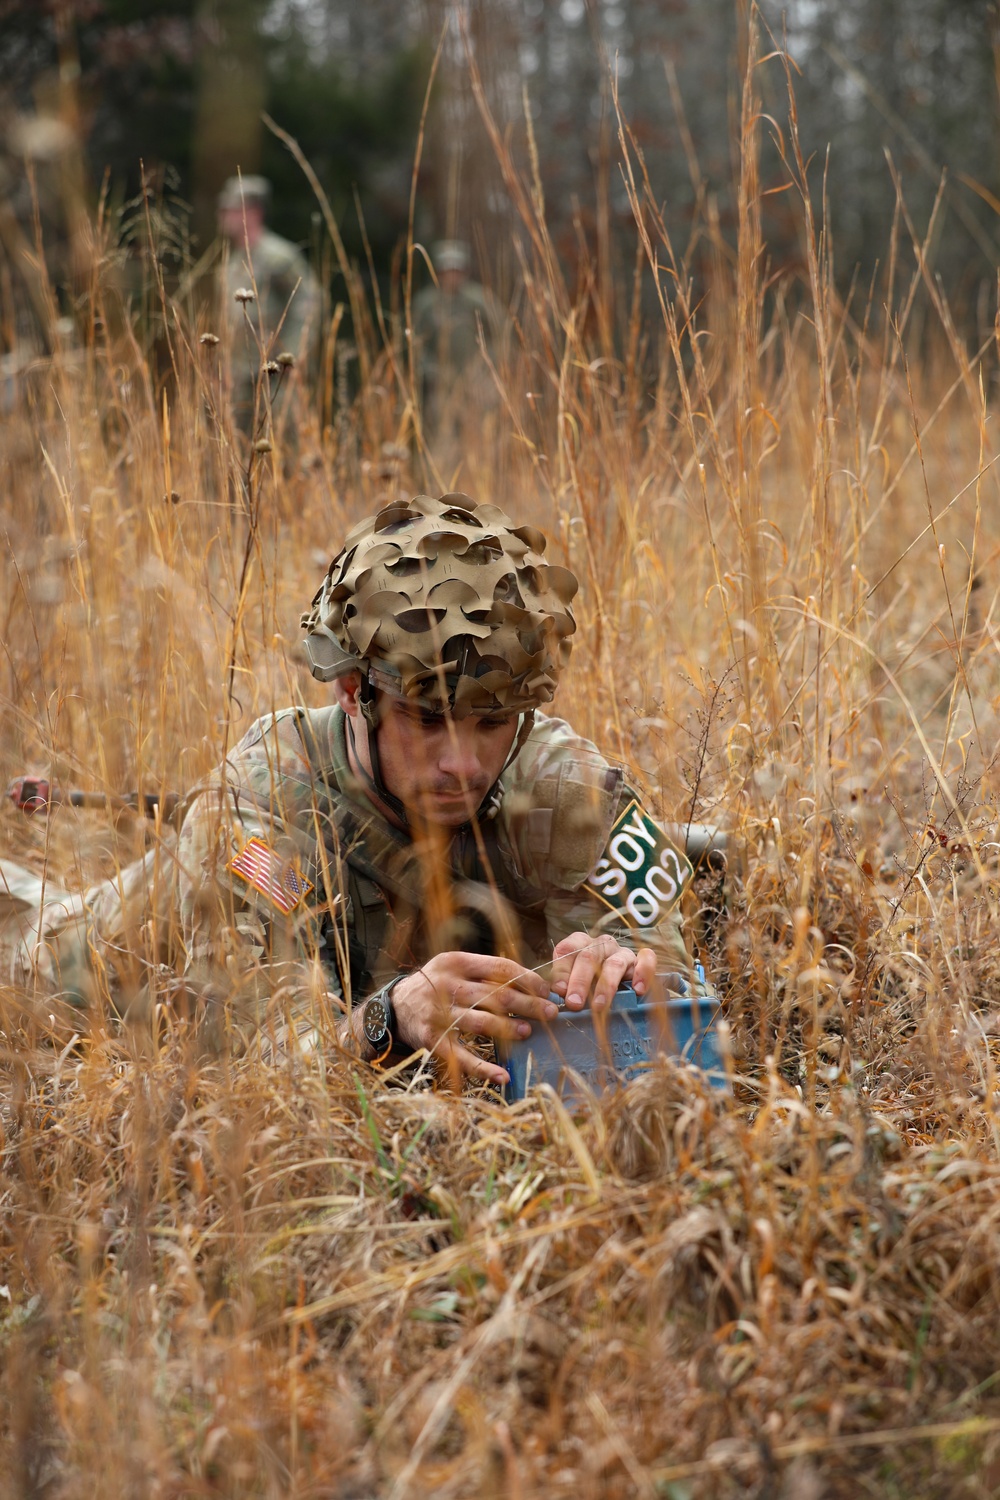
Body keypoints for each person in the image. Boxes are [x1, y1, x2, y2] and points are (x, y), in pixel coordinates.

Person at [169, 492, 705, 1083]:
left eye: (493, 723)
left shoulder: (562, 786)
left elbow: (676, 994)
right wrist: (387, 1018)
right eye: (428, 720)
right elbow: (257, 1056)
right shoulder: (260, 808)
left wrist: (621, 969)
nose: (463, 765)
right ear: (351, 690)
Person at [216, 174, 320, 433]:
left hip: (275, 376)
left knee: (279, 440)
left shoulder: (279, 257)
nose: (224, 216)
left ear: (253, 213)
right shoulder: (231, 262)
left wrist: (292, 356)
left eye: (231, 210)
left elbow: (309, 303)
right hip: (240, 375)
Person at [412, 242, 507, 438]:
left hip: (478, 379)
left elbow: (503, 334)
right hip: (441, 381)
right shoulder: (426, 304)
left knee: (482, 431)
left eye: (456, 271)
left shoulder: (480, 300)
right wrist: (431, 368)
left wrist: (487, 363)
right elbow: (415, 343)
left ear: (465, 271)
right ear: (438, 272)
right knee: (441, 431)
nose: (452, 276)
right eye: (447, 271)